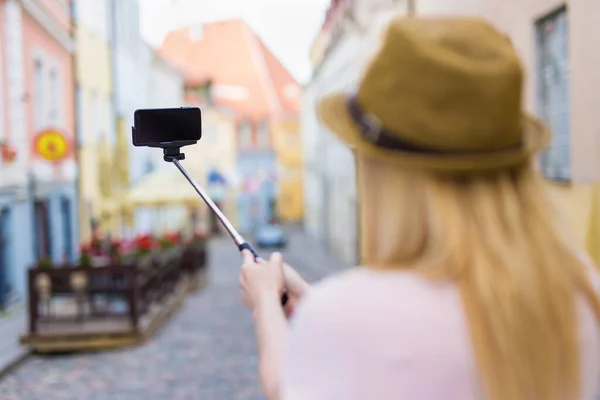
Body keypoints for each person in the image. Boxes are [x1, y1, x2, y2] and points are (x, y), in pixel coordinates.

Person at [238, 16, 600, 400]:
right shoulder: (580, 288)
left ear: (389, 173)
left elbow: (285, 388)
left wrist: (265, 305)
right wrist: (322, 306)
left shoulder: (344, 318)